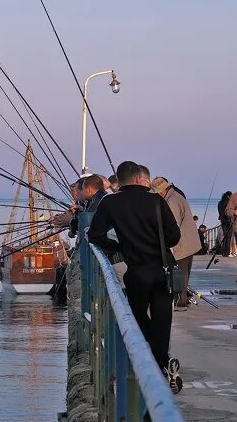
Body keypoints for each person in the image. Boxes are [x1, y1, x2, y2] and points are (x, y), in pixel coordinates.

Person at [87, 161, 183, 393]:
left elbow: (95, 235)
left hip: (136, 271)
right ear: (140, 178)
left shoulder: (111, 203)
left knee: (137, 316)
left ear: (118, 181)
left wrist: (119, 247)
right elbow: (174, 237)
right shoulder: (157, 200)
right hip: (163, 270)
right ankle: (163, 362)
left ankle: (159, 361)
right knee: (163, 320)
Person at [151, 176, 200, 311]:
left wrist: (169, 244)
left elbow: (174, 225)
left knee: (179, 273)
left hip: (182, 243)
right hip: (189, 241)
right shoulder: (176, 195)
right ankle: (181, 298)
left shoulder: (171, 201)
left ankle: (180, 301)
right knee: (183, 274)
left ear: (162, 191)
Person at [216, 191, 232, 256]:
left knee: (225, 237)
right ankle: (227, 252)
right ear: (228, 196)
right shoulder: (228, 203)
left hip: (222, 221)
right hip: (228, 221)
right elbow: (228, 212)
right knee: (229, 237)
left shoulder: (220, 203)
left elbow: (220, 212)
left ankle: (223, 252)